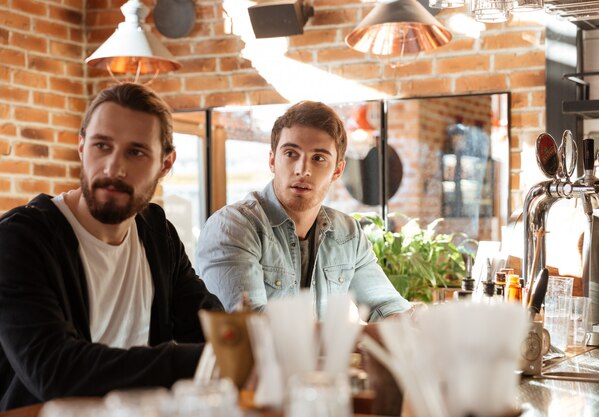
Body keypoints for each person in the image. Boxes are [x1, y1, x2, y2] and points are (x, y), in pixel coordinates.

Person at [0, 83, 223, 411]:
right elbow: (53, 370)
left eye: (135, 152)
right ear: (81, 146)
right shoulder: (21, 239)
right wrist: (203, 359)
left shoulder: (157, 233)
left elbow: (208, 325)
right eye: (101, 145)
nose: (113, 168)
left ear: (165, 164)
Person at [196, 101, 410, 320]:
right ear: (272, 160)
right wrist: (352, 337)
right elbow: (251, 325)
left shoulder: (348, 234)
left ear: (337, 170)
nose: (302, 170)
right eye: (291, 154)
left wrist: (407, 321)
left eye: (318, 158)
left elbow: (384, 304)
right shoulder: (233, 227)